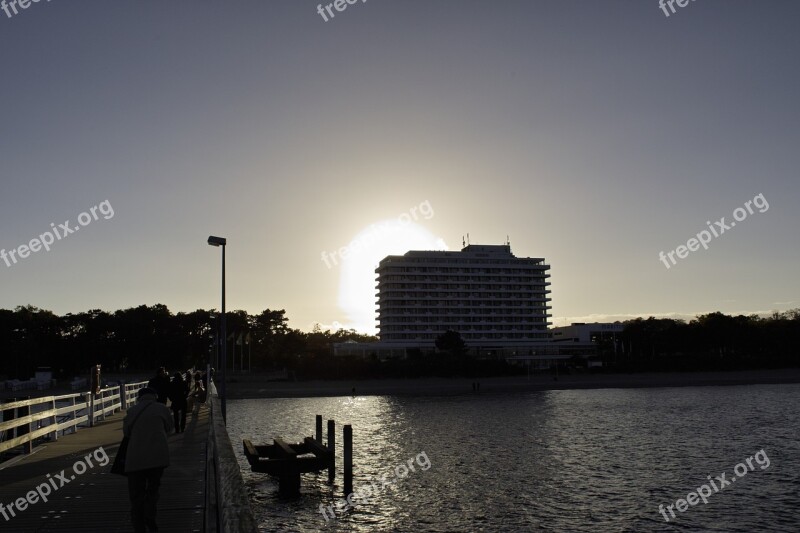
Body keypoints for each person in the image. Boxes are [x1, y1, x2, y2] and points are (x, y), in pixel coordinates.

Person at [123, 387, 173, 533]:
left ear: (139, 397)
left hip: (135, 459)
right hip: (157, 457)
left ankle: (139, 525)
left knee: (136, 494)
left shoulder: (132, 411)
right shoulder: (162, 409)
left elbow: (126, 432)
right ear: (154, 396)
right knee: (153, 488)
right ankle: (149, 513)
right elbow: (170, 428)